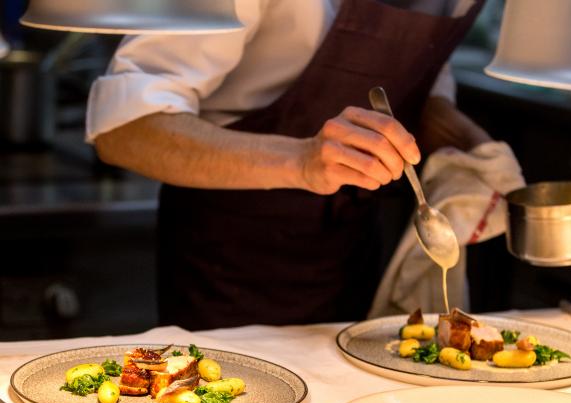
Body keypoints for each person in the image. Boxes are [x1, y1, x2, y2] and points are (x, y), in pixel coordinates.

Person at [87, 0, 491, 329]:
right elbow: (126, 129)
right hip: (231, 267)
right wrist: (301, 160)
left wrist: (483, 155)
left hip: (350, 259)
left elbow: (423, 93)